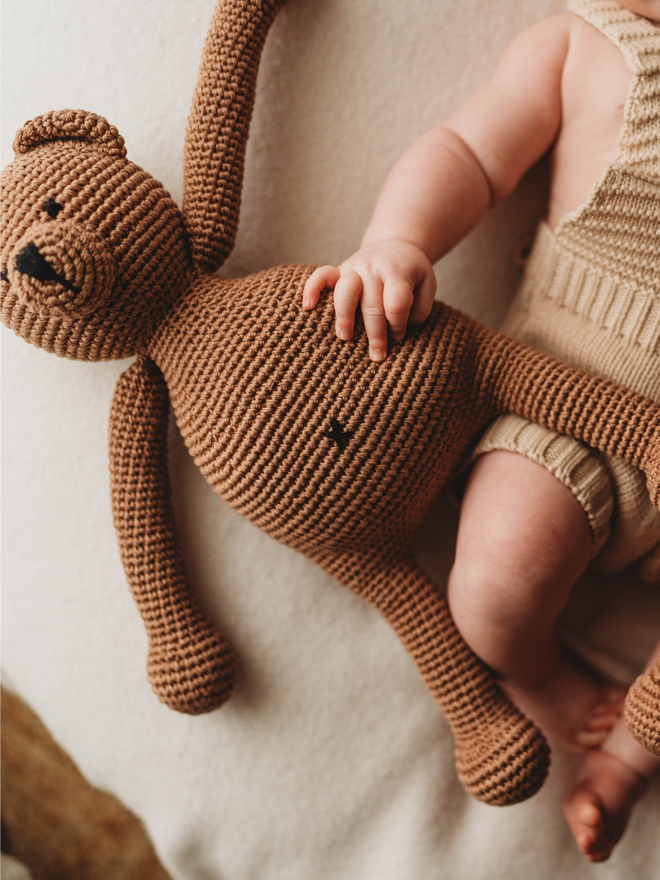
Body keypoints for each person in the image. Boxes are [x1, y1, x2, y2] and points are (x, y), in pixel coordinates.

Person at [302, 0, 660, 862]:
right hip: (563, 413)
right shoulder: (584, 47)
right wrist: (399, 240)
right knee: (495, 581)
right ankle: (537, 674)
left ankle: (629, 757)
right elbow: (468, 155)